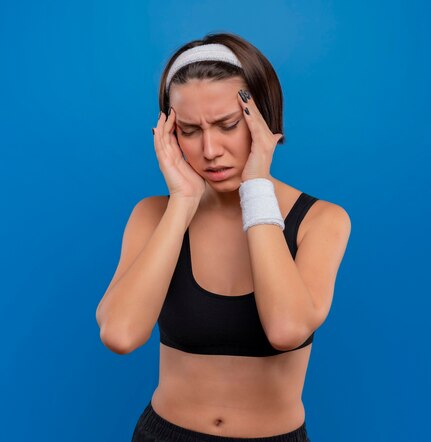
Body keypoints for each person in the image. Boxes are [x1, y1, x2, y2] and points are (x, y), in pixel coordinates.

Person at [95, 32, 351, 441]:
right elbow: (120, 335)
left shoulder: (321, 220)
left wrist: (256, 188)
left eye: (227, 125)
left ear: (263, 119)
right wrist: (181, 201)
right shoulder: (153, 215)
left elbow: (287, 328)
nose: (210, 149)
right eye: (190, 130)